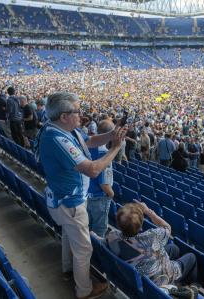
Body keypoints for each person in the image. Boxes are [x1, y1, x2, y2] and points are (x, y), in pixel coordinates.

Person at [36, 92, 126, 299]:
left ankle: (68, 269)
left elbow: (91, 141)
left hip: (64, 200)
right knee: (84, 249)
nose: (81, 115)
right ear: (64, 116)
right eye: (77, 111)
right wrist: (115, 149)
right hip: (70, 203)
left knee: (69, 235)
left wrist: (113, 135)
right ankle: (84, 291)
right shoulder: (57, 138)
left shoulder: (64, 130)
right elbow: (93, 170)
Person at [106, 202, 198, 287]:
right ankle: (187, 286)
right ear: (141, 227)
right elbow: (167, 227)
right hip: (160, 279)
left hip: (140, 272)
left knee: (174, 248)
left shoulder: (112, 236)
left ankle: (177, 278)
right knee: (191, 257)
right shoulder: (150, 238)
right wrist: (148, 211)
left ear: (118, 224)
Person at [87, 119, 115, 238]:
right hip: (99, 198)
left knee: (88, 225)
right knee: (99, 230)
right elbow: (104, 184)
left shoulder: (87, 146)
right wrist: (111, 194)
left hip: (87, 195)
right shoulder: (104, 153)